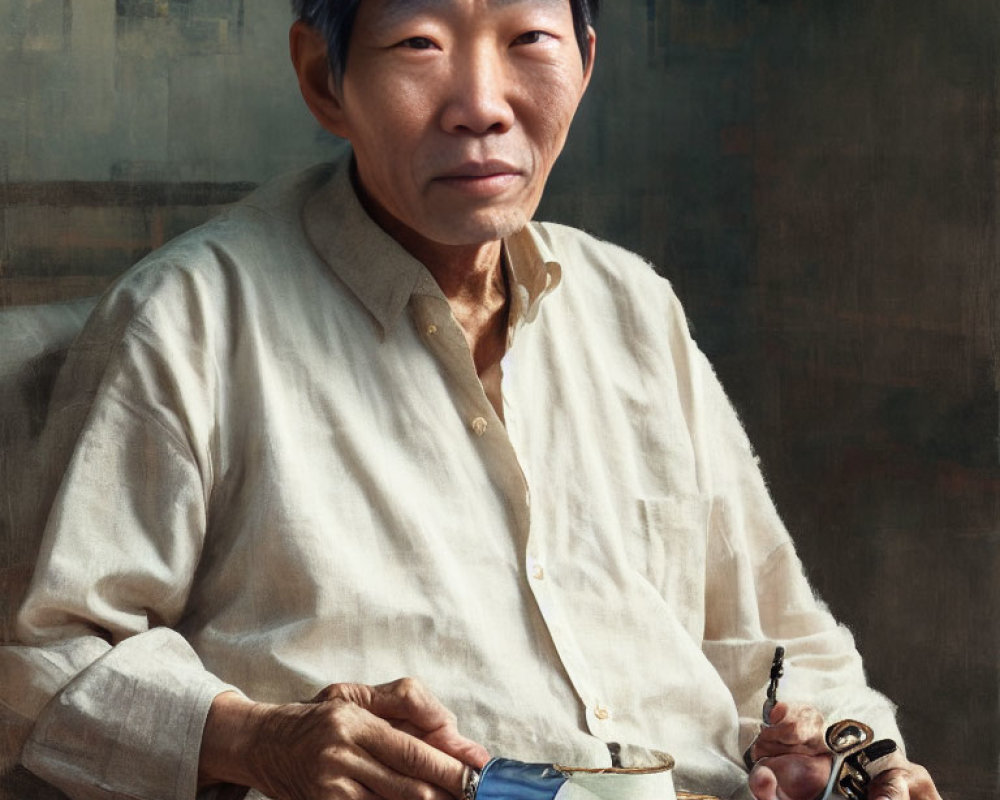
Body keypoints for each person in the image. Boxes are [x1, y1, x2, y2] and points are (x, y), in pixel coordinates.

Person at [0, 1, 942, 799]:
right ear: (323, 79)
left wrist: (850, 754)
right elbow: (44, 665)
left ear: (586, 64)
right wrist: (257, 739)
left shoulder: (632, 305)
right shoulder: (191, 318)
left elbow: (779, 640)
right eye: (420, 43)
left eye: (530, 39)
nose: (482, 107)